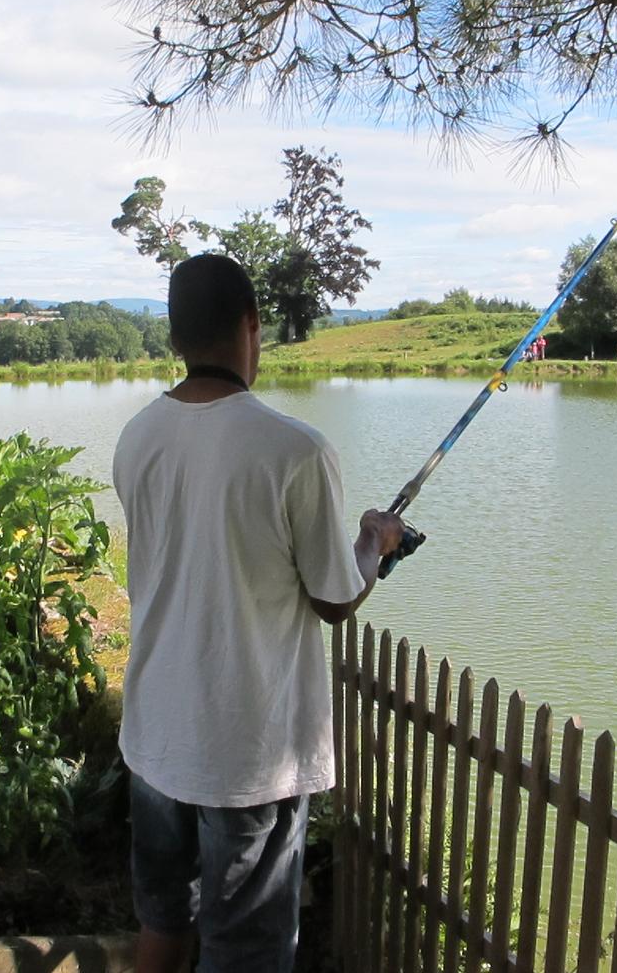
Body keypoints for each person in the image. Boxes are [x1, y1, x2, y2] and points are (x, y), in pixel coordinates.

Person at [112, 254, 405, 973]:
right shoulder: (296, 450)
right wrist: (374, 543)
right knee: (245, 953)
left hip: (154, 736)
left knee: (162, 923)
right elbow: (335, 599)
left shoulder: (137, 436)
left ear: (175, 337)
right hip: (247, 754)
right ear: (253, 325)